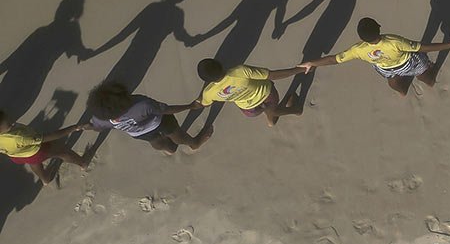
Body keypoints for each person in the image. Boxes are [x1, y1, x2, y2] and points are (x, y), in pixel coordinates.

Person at [297, 18, 450, 95]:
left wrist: (312, 63)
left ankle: (402, 91)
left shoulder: (357, 49)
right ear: (378, 28)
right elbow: (423, 47)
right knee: (428, 77)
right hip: (408, 63)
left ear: (362, 38)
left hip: (385, 68)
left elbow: (334, 59)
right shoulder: (393, 41)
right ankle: (429, 76)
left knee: (395, 83)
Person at [82, 81, 211, 154]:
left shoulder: (100, 118)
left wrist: (89, 126)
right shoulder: (141, 104)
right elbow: (166, 110)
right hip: (160, 122)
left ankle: (170, 149)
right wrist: (189, 106)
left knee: (155, 142)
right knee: (177, 135)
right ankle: (194, 144)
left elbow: (97, 127)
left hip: (138, 133)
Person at [194, 58, 305, 126]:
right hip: (267, 95)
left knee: (267, 111)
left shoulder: (208, 93)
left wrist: (189, 105)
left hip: (249, 110)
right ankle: (295, 110)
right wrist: (300, 69)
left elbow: (203, 104)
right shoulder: (240, 71)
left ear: (208, 81)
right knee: (272, 109)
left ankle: (271, 120)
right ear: (220, 65)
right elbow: (273, 75)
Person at [0, 111, 92, 184]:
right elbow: (53, 136)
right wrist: (74, 128)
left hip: (16, 156)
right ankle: (82, 163)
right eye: (9, 125)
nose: (13, 123)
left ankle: (45, 179)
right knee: (62, 152)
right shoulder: (20, 138)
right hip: (36, 151)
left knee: (32, 162)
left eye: (10, 119)